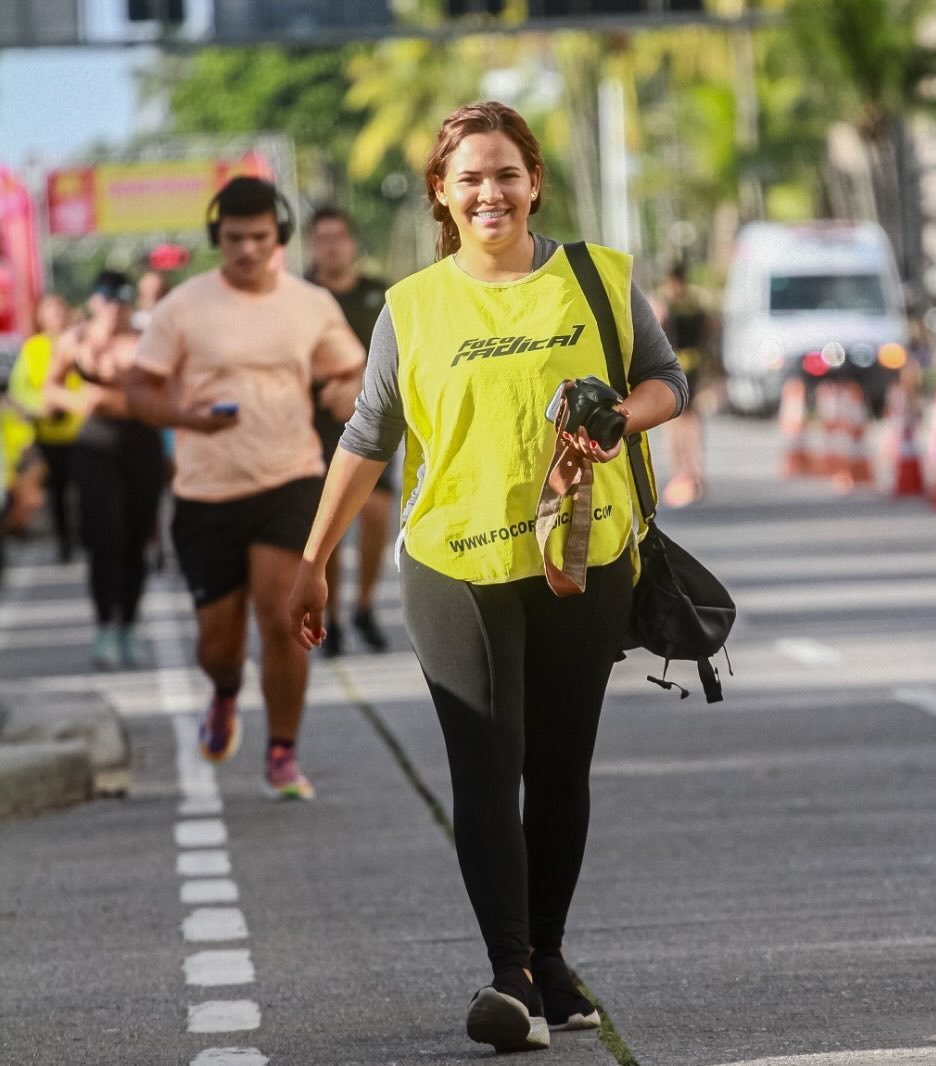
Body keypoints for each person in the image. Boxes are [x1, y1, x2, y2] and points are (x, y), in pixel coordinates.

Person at [287, 101, 687, 1053]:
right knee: (484, 762)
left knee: (559, 770)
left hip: (580, 558)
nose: (490, 192)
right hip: (453, 564)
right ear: (442, 192)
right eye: (469, 177)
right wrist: (313, 560)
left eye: (506, 173)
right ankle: (508, 975)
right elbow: (366, 440)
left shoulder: (599, 278)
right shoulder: (413, 307)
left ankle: (548, 959)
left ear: (534, 181)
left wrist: (623, 419)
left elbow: (672, 380)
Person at [126, 176, 365, 801]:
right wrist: (187, 419)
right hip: (205, 494)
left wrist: (346, 391)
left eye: (261, 237)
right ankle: (226, 691)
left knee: (280, 616)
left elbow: (351, 368)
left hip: (288, 479)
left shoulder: (309, 303)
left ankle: (283, 752)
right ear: (217, 238)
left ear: (279, 236)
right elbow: (140, 389)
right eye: (235, 238)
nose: (249, 250)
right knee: (219, 645)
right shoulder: (184, 306)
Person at [45, 272, 166, 668]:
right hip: (96, 446)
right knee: (105, 537)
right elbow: (49, 389)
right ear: (94, 300)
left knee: (135, 537)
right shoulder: (76, 341)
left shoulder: (147, 339)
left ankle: (128, 625)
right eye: (108, 297)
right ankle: (104, 628)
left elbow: (169, 388)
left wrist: (122, 395)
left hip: (142, 444)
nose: (115, 305)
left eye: (123, 297)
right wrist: (84, 400)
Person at [306, 206, 392, 655]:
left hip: (375, 422)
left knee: (377, 513)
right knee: (332, 523)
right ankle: (332, 616)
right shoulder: (299, 296)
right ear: (311, 245)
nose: (332, 246)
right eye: (323, 238)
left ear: (352, 243)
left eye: (340, 236)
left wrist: (358, 388)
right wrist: (327, 387)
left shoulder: (380, 293)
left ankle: (363, 606)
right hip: (316, 426)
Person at [7, 292, 79, 561]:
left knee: (88, 489)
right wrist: (41, 407)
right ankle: (65, 541)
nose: (56, 317)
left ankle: (89, 537)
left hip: (82, 433)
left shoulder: (80, 342)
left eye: (60, 310)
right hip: (48, 434)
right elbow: (19, 391)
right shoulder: (33, 348)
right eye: (50, 311)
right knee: (57, 491)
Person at [655, 262, 713, 508]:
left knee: (686, 421)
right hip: (685, 366)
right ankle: (684, 470)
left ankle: (690, 470)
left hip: (681, 366)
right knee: (679, 421)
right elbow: (711, 326)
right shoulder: (694, 300)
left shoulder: (664, 302)